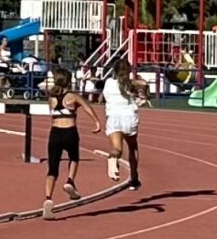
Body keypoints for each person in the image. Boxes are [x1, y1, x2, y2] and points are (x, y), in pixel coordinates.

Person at [42, 68, 102, 220]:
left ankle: (48, 198)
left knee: (52, 169)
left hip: (55, 133)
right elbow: (87, 107)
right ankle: (70, 181)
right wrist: (96, 121)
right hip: (70, 132)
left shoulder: (51, 98)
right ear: (69, 81)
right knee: (74, 158)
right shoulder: (73, 97)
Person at [102, 59, 148, 190]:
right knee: (133, 147)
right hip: (129, 117)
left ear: (115, 71)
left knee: (117, 149)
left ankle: (112, 160)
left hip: (114, 117)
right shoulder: (131, 84)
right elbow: (143, 86)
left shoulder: (109, 83)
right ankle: (134, 177)